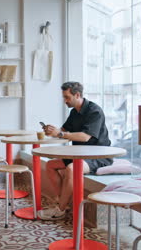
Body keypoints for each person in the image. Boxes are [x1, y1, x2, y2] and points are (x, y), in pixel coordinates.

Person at [37, 81, 112, 220]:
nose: (65, 100)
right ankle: (63, 203)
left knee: (71, 169)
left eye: (67, 97)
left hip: (97, 156)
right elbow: (64, 130)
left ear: (77, 95)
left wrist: (60, 134)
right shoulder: (74, 112)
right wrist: (53, 130)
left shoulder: (94, 111)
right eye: (64, 97)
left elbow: (84, 137)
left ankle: (59, 210)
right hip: (79, 155)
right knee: (50, 165)